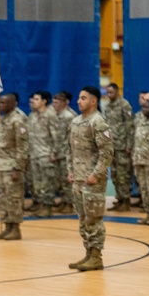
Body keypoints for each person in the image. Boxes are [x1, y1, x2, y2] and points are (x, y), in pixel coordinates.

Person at [67, 86, 114, 271]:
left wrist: (96, 174)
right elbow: (70, 150)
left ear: (93, 101)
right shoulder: (76, 121)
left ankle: (96, 257)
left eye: (83, 98)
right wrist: (70, 170)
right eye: (79, 97)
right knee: (83, 219)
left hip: (92, 180)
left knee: (93, 219)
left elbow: (107, 152)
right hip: (78, 179)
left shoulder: (98, 122)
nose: (79, 101)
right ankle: (88, 253)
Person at [0, 93, 29, 240]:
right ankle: (7, 226)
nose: (0, 106)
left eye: (4, 103)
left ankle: (15, 229)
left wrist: (18, 168)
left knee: (14, 198)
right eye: (0, 103)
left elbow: (23, 147)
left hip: (12, 166)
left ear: (13, 104)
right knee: (3, 197)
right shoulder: (4, 119)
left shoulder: (18, 119)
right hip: (1, 165)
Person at [102, 83, 134, 212]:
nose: (109, 95)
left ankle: (126, 201)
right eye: (107, 93)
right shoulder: (108, 106)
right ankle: (119, 198)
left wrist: (129, 145)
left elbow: (130, 126)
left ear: (117, 91)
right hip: (112, 145)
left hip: (122, 146)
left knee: (123, 174)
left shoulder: (124, 105)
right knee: (114, 174)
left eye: (111, 92)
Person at [26, 91, 58, 217]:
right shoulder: (32, 115)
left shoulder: (50, 115)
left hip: (46, 154)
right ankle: (40, 205)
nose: (33, 101)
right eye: (33, 98)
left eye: (36, 99)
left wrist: (54, 152)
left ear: (44, 101)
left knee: (47, 182)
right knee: (37, 183)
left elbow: (56, 136)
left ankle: (48, 207)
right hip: (34, 154)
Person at [50, 91, 75, 213]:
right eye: (53, 102)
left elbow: (71, 137)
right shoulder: (56, 116)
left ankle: (69, 204)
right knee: (60, 180)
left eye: (56, 102)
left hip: (66, 153)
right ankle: (64, 201)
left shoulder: (68, 116)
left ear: (64, 103)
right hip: (58, 152)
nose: (54, 105)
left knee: (67, 180)